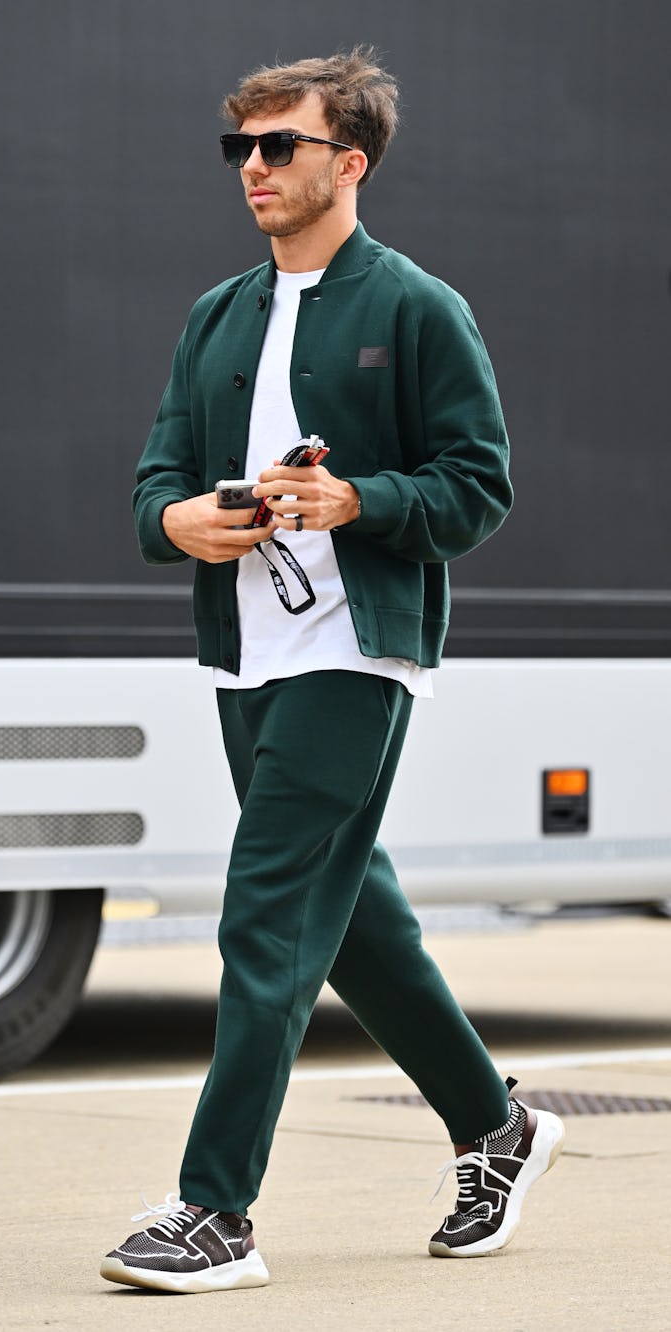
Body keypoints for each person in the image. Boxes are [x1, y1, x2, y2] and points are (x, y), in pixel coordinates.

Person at [101, 46, 564, 1295]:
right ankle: (497, 1126)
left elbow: (477, 490)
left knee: (264, 919)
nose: (251, 169)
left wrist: (357, 499)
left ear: (347, 162)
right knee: (353, 924)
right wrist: (177, 523)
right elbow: (156, 479)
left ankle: (214, 1212)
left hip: (356, 652)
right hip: (245, 654)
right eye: (238, 149)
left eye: (278, 147)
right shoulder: (218, 313)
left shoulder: (417, 307)